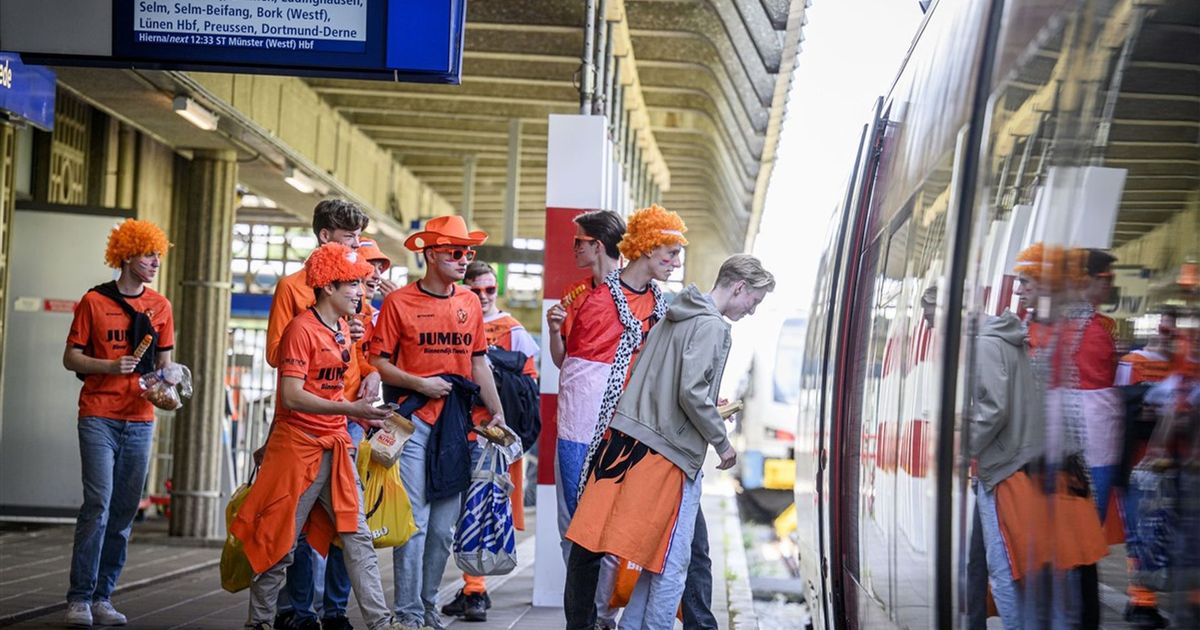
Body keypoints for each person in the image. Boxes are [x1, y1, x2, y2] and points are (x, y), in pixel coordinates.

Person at [563, 254, 775, 629]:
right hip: (669, 456)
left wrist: (707, 407)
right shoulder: (713, 327)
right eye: (754, 301)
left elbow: (663, 380)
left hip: (633, 442)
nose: (752, 311)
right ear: (739, 287)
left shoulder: (676, 313)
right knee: (672, 565)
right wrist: (721, 441)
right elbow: (690, 393)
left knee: (644, 556)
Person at [232, 243, 401, 630]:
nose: (360, 291)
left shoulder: (343, 329)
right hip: (298, 449)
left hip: (336, 445)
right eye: (352, 285)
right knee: (281, 542)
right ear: (327, 287)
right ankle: (258, 622)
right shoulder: (300, 330)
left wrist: (368, 414)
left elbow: (331, 391)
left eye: (360, 284)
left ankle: (381, 622)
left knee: (358, 537)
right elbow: (291, 396)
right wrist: (353, 410)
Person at [368, 216, 508, 630]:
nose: (464, 259)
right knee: (414, 523)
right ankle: (408, 613)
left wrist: (496, 411)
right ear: (430, 254)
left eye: (468, 252)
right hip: (411, 424)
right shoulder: (398, 304)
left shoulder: (468, 303)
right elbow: (378, 361)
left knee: (443, 531)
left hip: (457, 426)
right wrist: (419, 384)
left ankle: (427, 607)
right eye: (455, 252)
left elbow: (479, 362)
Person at [554, 205, 686, 628]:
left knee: (621, 536)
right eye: (669, 253)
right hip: (593, 435)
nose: (675, 263)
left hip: (635, 433)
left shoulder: (663, 303)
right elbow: (578, 380)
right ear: (645, 250)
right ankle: (586, 622)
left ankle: (606, 617)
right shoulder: (596, 303)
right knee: (586, 539)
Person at [264, 200, 377, 630]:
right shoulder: (292, 287)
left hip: (350, 414)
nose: (356, 244)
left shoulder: (357, 285)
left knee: (348, 522)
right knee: (299, 516)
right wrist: (318, 331)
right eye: (349, 237)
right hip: (304, 418)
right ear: (325, 236)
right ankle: (299, 610)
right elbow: (278, 354)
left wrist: (367, 373)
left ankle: (336, 610)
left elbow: (363, 351)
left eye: (357, 237)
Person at [62, 219, 175, 628]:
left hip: (140, 419)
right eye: (148, 254)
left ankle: (103, 596)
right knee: (99, 503)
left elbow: (164, 365)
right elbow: (71, 357)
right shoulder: (93, 301)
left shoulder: (160, 307)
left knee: (125, 510)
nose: (155, 261)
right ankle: (79, 598)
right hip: (98, 414)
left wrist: (169, 383)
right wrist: (110, 365)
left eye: (158, 254)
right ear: (126, 255)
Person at [441, 261, 538, 622]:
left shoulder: (513, 332)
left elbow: (527, 390)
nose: (483, 297)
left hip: (489, 437)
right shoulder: (455, 319)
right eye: (476, 290)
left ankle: (475, 590)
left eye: (489, 290)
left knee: (481, 511)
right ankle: (471, 590)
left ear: (497, 290)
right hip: (454, 430)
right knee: (454, 515)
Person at [968, 307, 1047, 628]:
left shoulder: (986, 344)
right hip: (1019, 463)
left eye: (933, 317)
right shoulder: (1010, 340)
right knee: (1014, 566)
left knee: (1002, 569)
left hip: (1002, 469)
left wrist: (962, 447)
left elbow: (994, 409)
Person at [546, 210, 625, 369]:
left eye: (578, 242)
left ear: (596, 246)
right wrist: (554, 330)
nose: (574, 248)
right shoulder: (573, 294)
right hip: (578, 388)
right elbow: (561, 361)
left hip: (621, 390)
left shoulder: (634, 293)